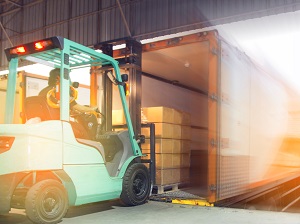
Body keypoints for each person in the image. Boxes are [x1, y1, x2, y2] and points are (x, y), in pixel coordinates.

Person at [39, 68, 100, 139]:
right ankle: (89, 149)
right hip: (58, 124)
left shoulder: (43, 91)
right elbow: (78, 107)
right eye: (67, 77)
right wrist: (93, 108)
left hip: (46, 124)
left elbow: (55, 107)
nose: (69, 80)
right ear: (58, 78)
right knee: (81, 130)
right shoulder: (60, 91)